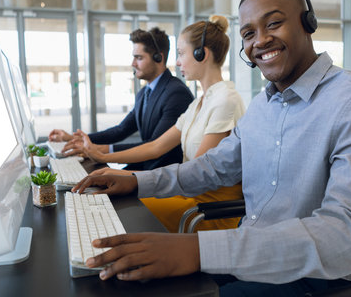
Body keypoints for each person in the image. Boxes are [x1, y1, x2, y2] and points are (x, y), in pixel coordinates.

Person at [71, 0, 351, 296]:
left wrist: (199, 250)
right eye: (249, 33)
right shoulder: (262, 106)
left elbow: (348, 237)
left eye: (273, 24)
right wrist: (137, 181)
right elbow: (212, 168)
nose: (259, 40)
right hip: (249, 255)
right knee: (122, 283)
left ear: (307, 23)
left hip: (311, 279)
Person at [75, 15, 246, 233]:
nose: (176, 62)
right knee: (113, 202)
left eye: (181, 53)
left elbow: (197, 172)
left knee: (120, 210)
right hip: (187, 194)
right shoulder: (199, 103)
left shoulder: (225, 100)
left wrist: (129, 178)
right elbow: (156, 146)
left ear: (202, 53)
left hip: (204, 207)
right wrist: (105, 159)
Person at [49, 27, 194, 171]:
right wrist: (73, 138)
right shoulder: (144, 93)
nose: (133, 63)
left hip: (162, 174)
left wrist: (101, 151)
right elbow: (121, 130)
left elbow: (154, 145)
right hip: (145, 167)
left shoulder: (176, 94)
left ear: (159, 58)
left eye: (139, 57)